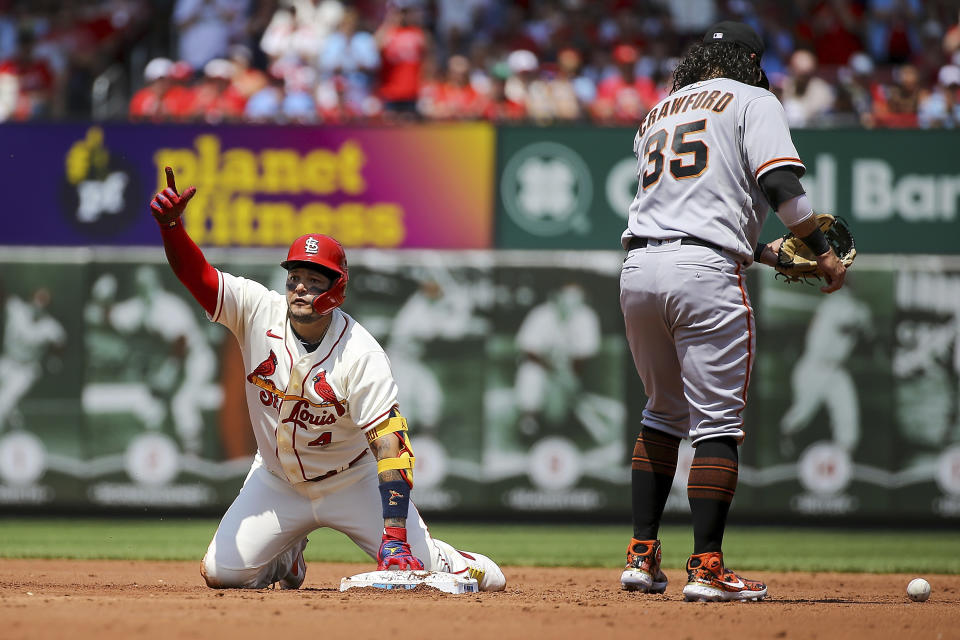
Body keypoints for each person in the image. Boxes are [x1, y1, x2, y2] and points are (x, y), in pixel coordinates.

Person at [148, 167, 505, 591]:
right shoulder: (257, 310)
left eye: (314, 279)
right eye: (295, 277)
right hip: (277, 481)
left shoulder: (361, 353)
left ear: (337, 290)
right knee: (221, 574)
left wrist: (394, 536)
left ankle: (457, 559)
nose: (299, 287)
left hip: (351, 480)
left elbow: (391, 444)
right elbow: (199, 277)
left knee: (433, 570)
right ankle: (286, 557)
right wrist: (172, 229)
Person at [618, 21, 846, 602]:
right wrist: (821, 254)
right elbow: (782, 184)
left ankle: (641, 558)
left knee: (662, 412)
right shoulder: (753, 98)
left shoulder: (659, 111)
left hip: (639, 268)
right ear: (750, 59)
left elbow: (689, 208)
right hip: (704, 273)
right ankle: (708, 568)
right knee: (716, 423)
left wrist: (769, 254)